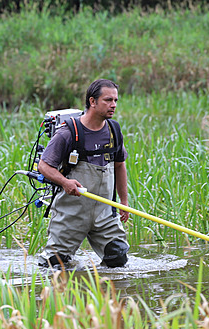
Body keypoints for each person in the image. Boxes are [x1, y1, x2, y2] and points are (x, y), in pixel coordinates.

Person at [37, 79, 130, 268]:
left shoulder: (114, 131)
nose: (113, 105)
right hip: (72, 212)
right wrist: (65, 182)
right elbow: (44, 166)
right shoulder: (68, 133)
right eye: (108, 100)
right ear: (92, 101)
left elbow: (120, 165)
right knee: (54, 264)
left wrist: (124, 201)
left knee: (118, 257)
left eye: (115, 100)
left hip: (104, 212)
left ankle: (102, 292)